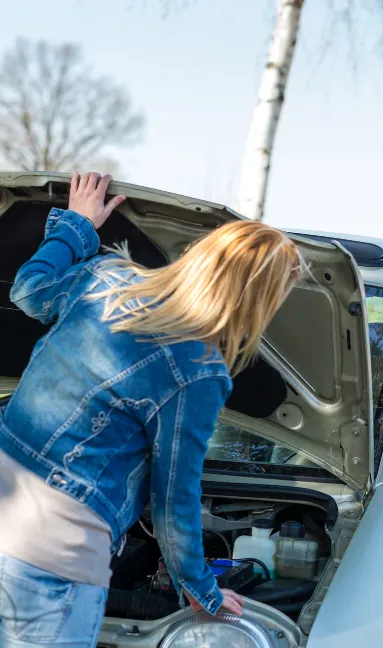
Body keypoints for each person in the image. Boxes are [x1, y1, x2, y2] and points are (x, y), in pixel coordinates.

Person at [0, 172, 305, 647]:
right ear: (259, 301)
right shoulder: (200, 369)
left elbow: (27, 290)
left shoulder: (108, 279)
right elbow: (173, 499)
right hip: (57, 544)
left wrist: (77, 227)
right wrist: (201, 590)